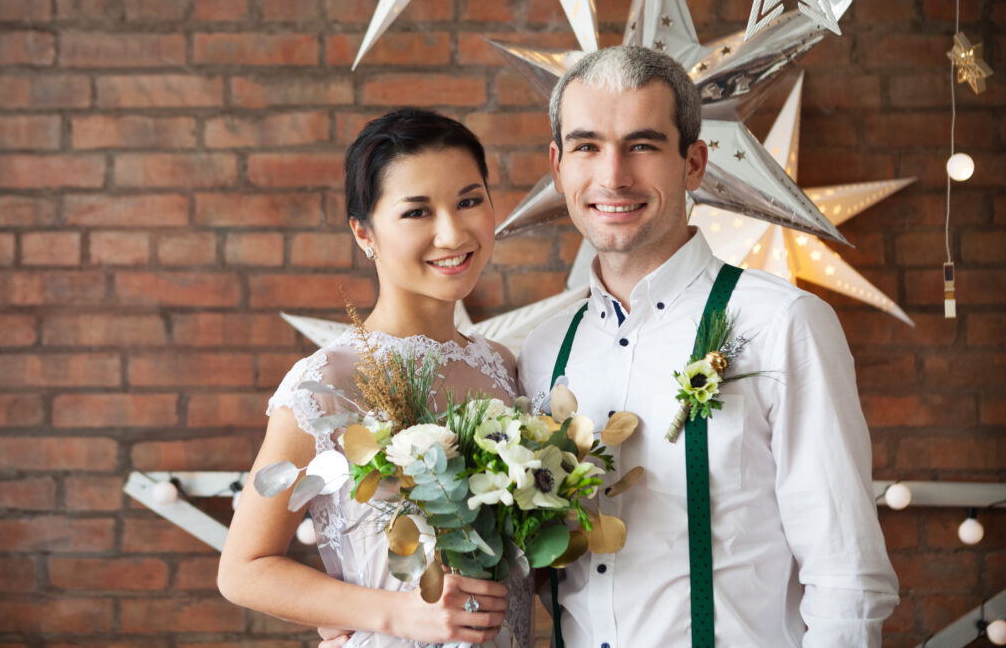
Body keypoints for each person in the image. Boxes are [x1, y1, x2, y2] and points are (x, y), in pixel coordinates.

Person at [516, 46, 899, 646]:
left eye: (642, 145)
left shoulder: (784, 323)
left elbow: (845, 571)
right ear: (559, 165)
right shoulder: (542, 352)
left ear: (693, 163)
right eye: (587, 146)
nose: (613, 176)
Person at [218, 108, 532, 648]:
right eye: (417, 212)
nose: (453, 232)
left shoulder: (504, 368)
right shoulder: (328, 382)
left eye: (469, 200)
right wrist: (393, 614)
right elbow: (243, 569)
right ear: (365, 233)